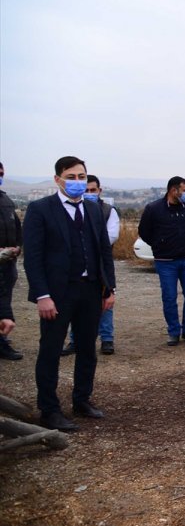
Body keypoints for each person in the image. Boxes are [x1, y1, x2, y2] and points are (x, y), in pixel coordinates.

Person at [22, 156, 116, 432]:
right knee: (51, 351)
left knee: (87, 348)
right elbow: (33, 257)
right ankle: (49, 410)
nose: (77, 182)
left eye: (81, 177)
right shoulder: (40, 209)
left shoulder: (94, 209)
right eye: (71, 177)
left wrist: (109, 288)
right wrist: (42, 295)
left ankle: (82, 399)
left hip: (90, 289)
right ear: (58, 179)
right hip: (57, 293)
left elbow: (103, 251)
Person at [138, 176, 185, 346]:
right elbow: (144, 231)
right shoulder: (153, 209)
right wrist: (159, 244)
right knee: (169, 297)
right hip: (165, 261)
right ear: (174, 190)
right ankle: (173, 331)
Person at [63, 174, 120, 356]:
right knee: (76, 304)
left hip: (101, 263)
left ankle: (107, 339)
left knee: (106, 299)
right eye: (86, 190)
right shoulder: (72, 209)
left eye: (92, 190)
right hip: (77, 266)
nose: (89, 193)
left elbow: (111, 235)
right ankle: (75, 340)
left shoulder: (108, 210)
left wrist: (89, 244)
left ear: (99, 190)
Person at [0, 161, 23, 360]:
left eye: (1, 173)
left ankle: (2, 340)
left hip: (8, 263)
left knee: (4, 300)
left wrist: (18, 246)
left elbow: (16, 227)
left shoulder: (6, 200)